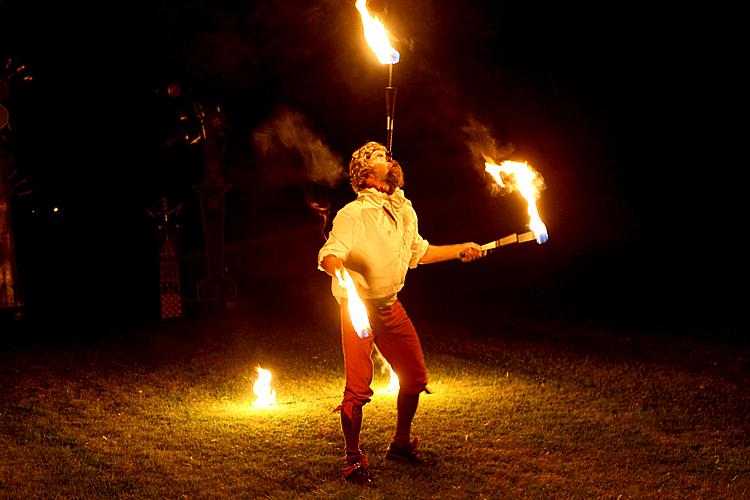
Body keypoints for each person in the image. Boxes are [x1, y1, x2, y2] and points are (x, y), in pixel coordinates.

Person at [317, 141, 484, 487]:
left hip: (390, 306)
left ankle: (401, 443)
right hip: (358, 308)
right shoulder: (354, 214)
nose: (390, 158)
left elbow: (418, 252)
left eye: (388, 153)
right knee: (358, 389)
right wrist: (342, 273)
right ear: (366, 176)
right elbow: (328, 254)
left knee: (415, 377)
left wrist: (460, 250)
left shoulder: (405, 210)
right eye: (380, 157)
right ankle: (352, 459)